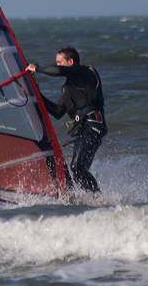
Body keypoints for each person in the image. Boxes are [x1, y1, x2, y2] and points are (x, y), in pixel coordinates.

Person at [26, 46, 106, 194]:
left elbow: (58, 71)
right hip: (82, 130)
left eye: (60, 62)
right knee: (77, 170)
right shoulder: (68, 88)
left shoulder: (86, 72)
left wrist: (37, 68)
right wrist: (37, 93)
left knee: (77, 167)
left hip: (94, 127)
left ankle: (98, 198)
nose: (57, 65)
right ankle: (91, 199)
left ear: (70, 62)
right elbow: (57, 112)